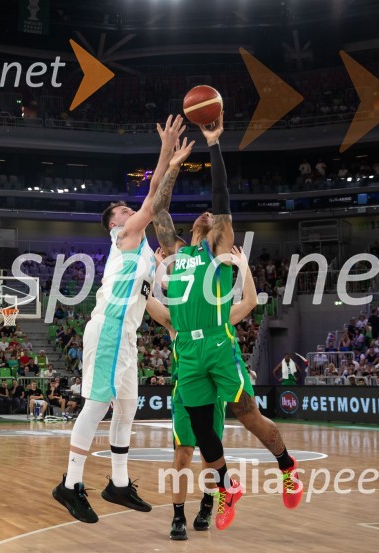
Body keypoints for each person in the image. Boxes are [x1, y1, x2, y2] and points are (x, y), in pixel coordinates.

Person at [152, 113, 302, 531]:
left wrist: (214, 144)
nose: (206, 214)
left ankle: (286, 465)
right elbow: (159, 208)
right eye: (201, 216)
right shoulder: (176, 255)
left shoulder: (218, 252)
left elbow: (221, 199)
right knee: (201, 431)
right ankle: (225, 484)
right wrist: (175, 165)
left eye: (211, 216)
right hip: (187, 351)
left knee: (247, 413)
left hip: (218, 344)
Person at [52, 114, 191, 524]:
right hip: (109, 326)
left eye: (129, 210)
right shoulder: (124, 236)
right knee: (96, 406)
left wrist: (169, 317)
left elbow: (154, 208)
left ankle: (117, 482)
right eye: (124, 211)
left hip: (126, 334)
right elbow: (153, 200)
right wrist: (169, 154)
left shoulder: (143, 252)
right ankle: (71, 485)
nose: (130, 211)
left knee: (128, 406)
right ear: (114, 223)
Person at [146, 245, 257, 540]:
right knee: (182, 455)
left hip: (212, 393)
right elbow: (146, 300)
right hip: (184, 392)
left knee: (210, 456)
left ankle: (208, 503)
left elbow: (249, 303)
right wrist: (151, 268)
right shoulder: (175, 319)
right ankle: (178, 516)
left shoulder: (217, 316)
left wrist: (242, 266)